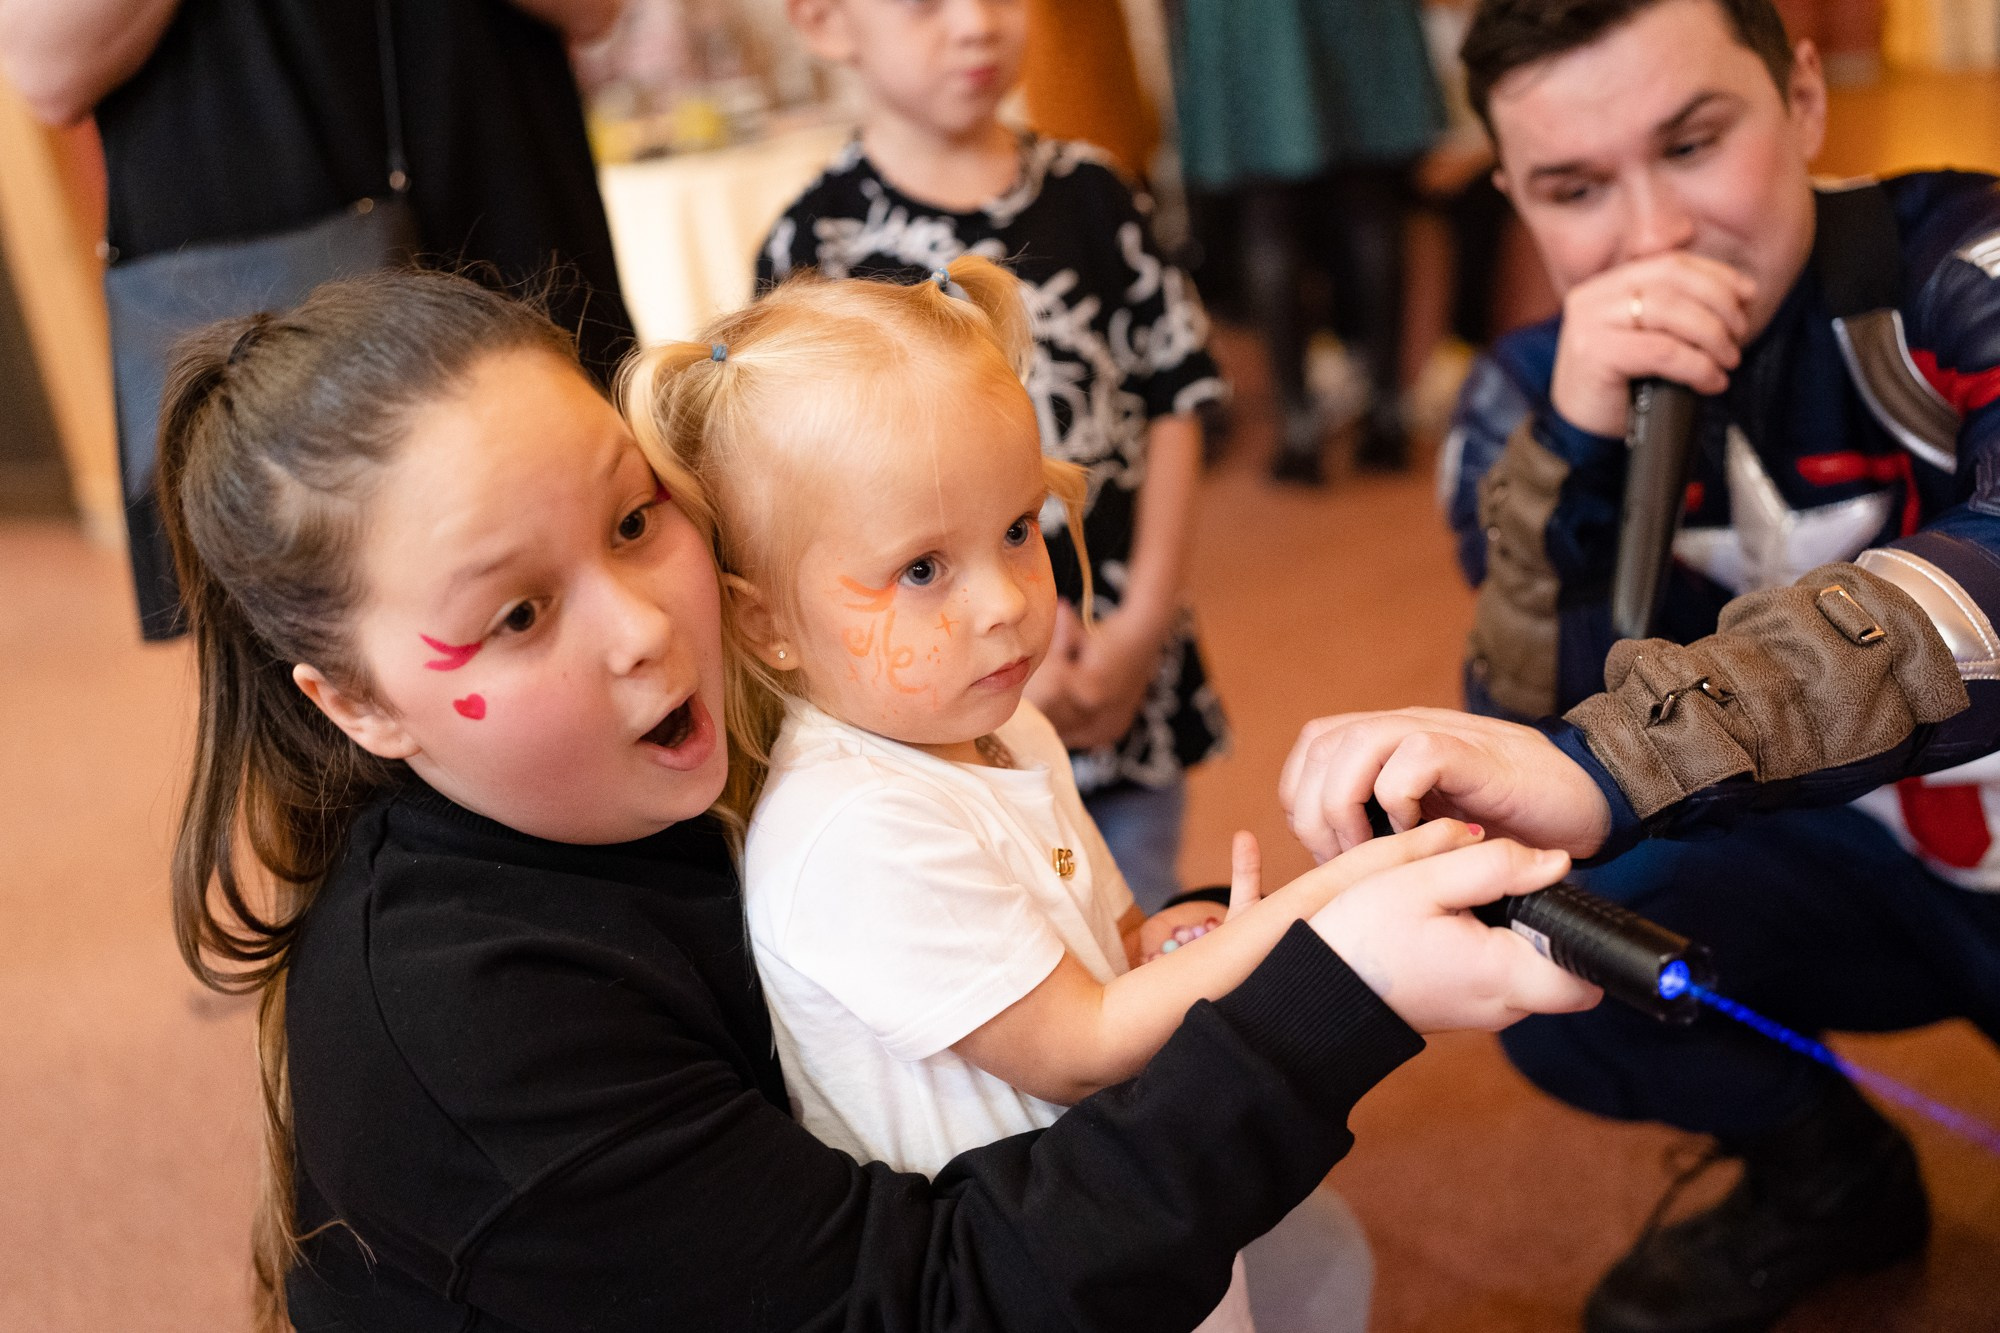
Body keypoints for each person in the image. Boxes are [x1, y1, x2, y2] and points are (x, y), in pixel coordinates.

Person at [157, 268, 1598, 1331]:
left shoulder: (741, 745)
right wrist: (1327, 983)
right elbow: (931, 1301)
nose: (647, 626)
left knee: (1308, 1259)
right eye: (520, 614)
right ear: (355, 703)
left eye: (636, 518)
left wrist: (1180, 939)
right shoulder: (470, 1022)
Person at [1281, 0, 2000, 1328]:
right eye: (1573, 189)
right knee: (1541, 918)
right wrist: (1580, 455)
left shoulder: (1964, 264)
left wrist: (1617, 760)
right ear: (1513, 199)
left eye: (1691, 142)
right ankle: (1829, 1175)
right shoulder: (1519, 403)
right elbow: (1531, 739)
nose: (1653, 234)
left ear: (1802, 96)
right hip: (1840, 865)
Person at [637, 255, 1512, 1333]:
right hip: (1033, 1277)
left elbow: (1108, 946)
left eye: (1018, 530)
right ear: (767, 620)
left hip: (1110, 1213)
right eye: (923, 570)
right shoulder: (852, 824)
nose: (1006, 603)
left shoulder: (1006, 724)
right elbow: (1080, 1041)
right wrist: (1327, 913)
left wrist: (1165, 944)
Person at [757, 0, 1226, 919]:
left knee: (1137, 911)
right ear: (824, 23)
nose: (976, 24)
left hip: (1122, 664)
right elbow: (801, 512)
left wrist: (1141, 623)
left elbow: (1176, 396)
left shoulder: (1094, 190)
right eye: (927, 5)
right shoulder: (815, 244)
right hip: (938, 702)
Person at [0, 0, 635, 638]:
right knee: (309, 617)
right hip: (249, 237)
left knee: (600, 541)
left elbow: (594, 10)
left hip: (494, 178)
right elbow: (48, 68)